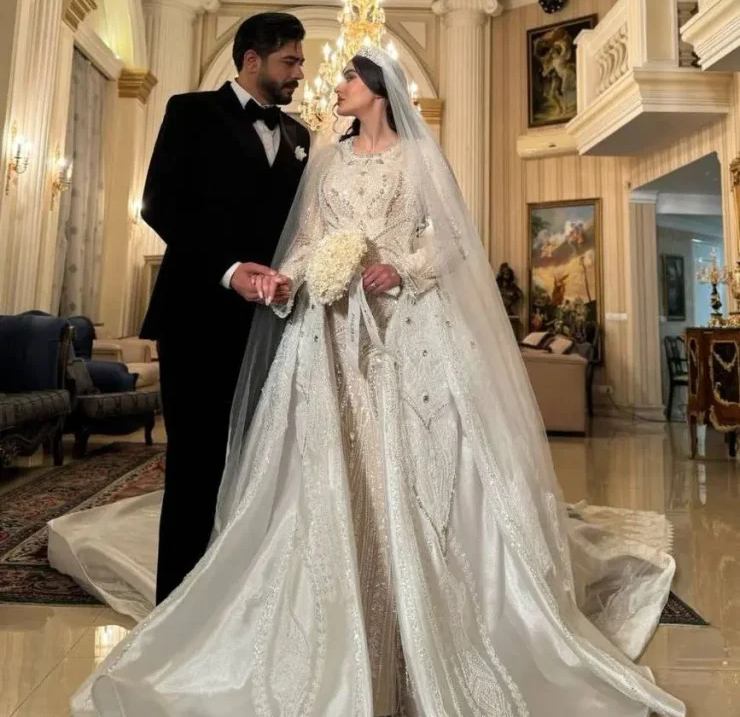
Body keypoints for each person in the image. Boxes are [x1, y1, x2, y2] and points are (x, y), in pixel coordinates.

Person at [71, 47, 684, 717]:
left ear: (377, 89)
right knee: (322, 462)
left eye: (346, 77)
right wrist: (287, 281)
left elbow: (451, 240)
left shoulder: (420, 159)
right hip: (328, 331)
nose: (334, 85)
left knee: (415, 460)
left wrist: (402, 268)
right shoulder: (327, 160)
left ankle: (426, 595)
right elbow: (307, 240)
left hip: (406, 328)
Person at [140, 11, 309, 603]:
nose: (300, 73)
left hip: (273, 327)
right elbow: (159, 205)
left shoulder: (300, 136)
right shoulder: (190, 112)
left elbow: (299, 228)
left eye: (301, 62)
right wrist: (230, 270)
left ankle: (240, 603)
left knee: (259, 466)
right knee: (195, 466)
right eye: (290, 61)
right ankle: (176, 605)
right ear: (252, 60)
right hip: (196, 320)